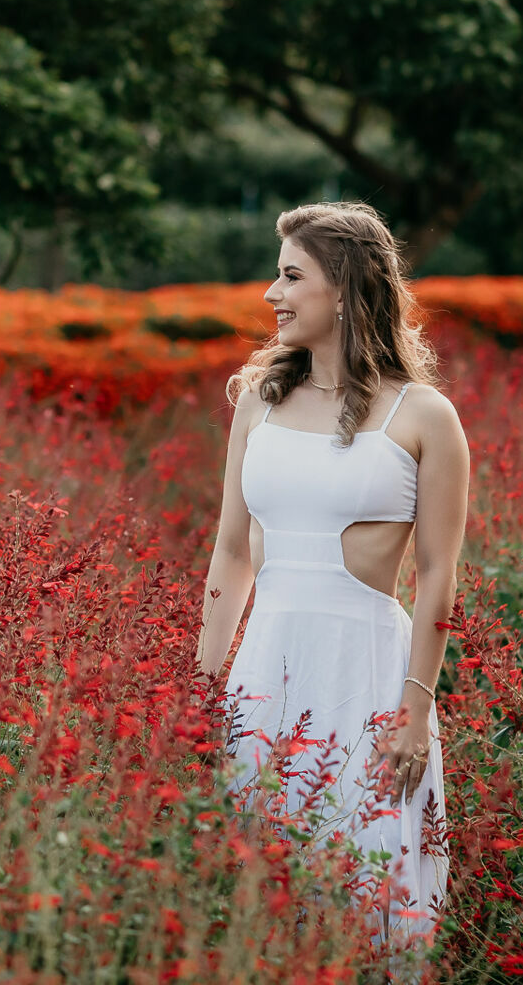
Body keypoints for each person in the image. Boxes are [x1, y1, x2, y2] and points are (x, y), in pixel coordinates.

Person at [194, 201, 468, 949]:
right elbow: (232, 550)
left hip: (369, 683)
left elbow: (440, 574)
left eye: (289, 275)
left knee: (369, 886)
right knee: (264, 892)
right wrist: (203, 687)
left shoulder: (425, 416)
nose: (269, 294)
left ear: (344, 287)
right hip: (262, 678)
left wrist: (414, 711)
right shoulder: (258, 403)